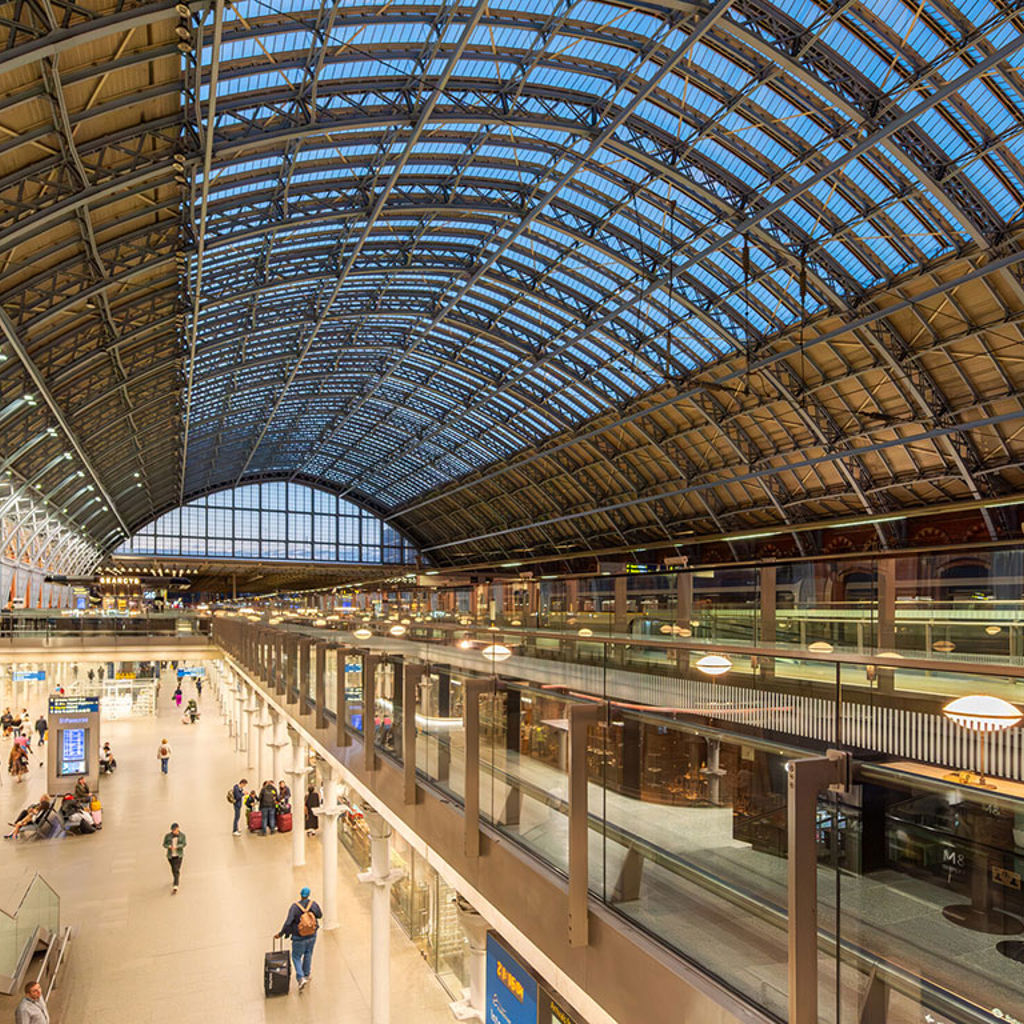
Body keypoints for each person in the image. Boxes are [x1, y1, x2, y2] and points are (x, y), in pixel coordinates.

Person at [275, 886, 322, 991]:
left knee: (296, 956)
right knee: (308, 953)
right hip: (312, 935)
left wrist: (281, 933)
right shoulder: (313, 904)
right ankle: (306, 974)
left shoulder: (295, 907)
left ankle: (300, 978)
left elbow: (288, 922)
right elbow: (320, 915)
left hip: (299, 937)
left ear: (300, 895)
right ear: (309, 895)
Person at [162, 822, 186, 893]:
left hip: (179, 855)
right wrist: (169, 847)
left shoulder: (182, 836)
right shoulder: (167, 836)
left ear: (178, 829)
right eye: (173, 830)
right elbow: (164, 844)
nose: (174, 831)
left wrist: (177, 847)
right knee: (174, 869)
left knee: (176, 869)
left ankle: (175, 885)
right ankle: (176, 879)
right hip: (170, 856)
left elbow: (184, 844)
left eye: (175, 830)